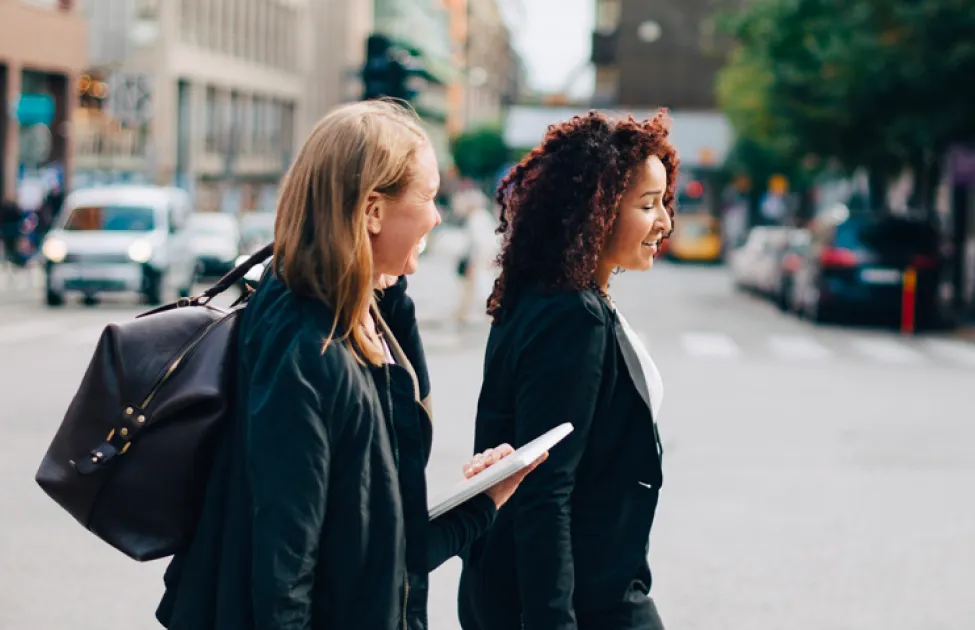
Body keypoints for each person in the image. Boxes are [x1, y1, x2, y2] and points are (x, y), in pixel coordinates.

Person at [155, 100, 540, 630]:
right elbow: (284, 577)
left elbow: (379, 562)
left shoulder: (371, 323)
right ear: (373, 211)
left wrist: (486, 499)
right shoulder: (305, 347)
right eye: (427, 197)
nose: (435, 214)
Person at [458, 110, 678, 630]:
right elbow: (543, 489)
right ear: (597, 210)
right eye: (648, 205)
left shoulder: (543, 298)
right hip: (581, 601)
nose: (665, 221)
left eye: (664, 203)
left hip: (569, 588)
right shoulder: (571, 316)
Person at [451, 187, 500, 326]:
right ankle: (463, 312)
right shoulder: (482, 217)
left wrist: (474, 263)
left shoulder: (476, 219)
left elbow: (478, 243)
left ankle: (465, 313)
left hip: (478, 259)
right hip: (481, 258)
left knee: (477, 287)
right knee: (472, 288)